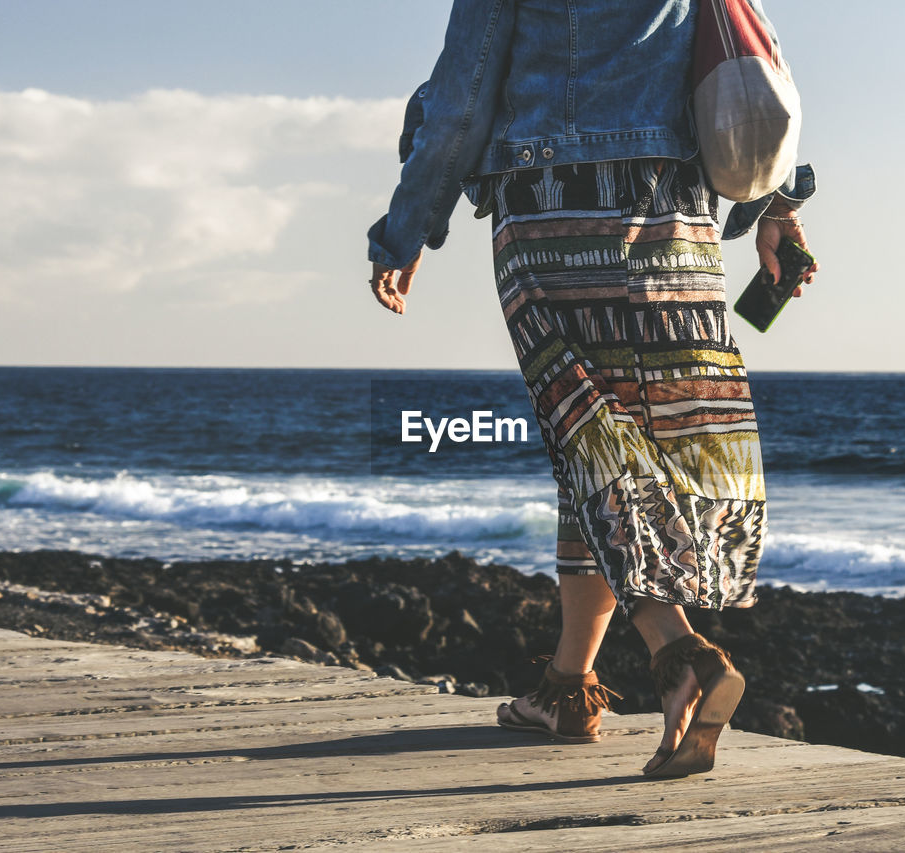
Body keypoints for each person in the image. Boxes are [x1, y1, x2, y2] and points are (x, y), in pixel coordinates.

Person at [368, 0, 818, 778]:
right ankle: (568, 686)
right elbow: (750, 54)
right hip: (679, 216)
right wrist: (777, 202)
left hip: (554, 209)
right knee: (613, 444)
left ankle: (679, 654)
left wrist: (406, 229)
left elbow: (462, 100)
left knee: (587, 439)